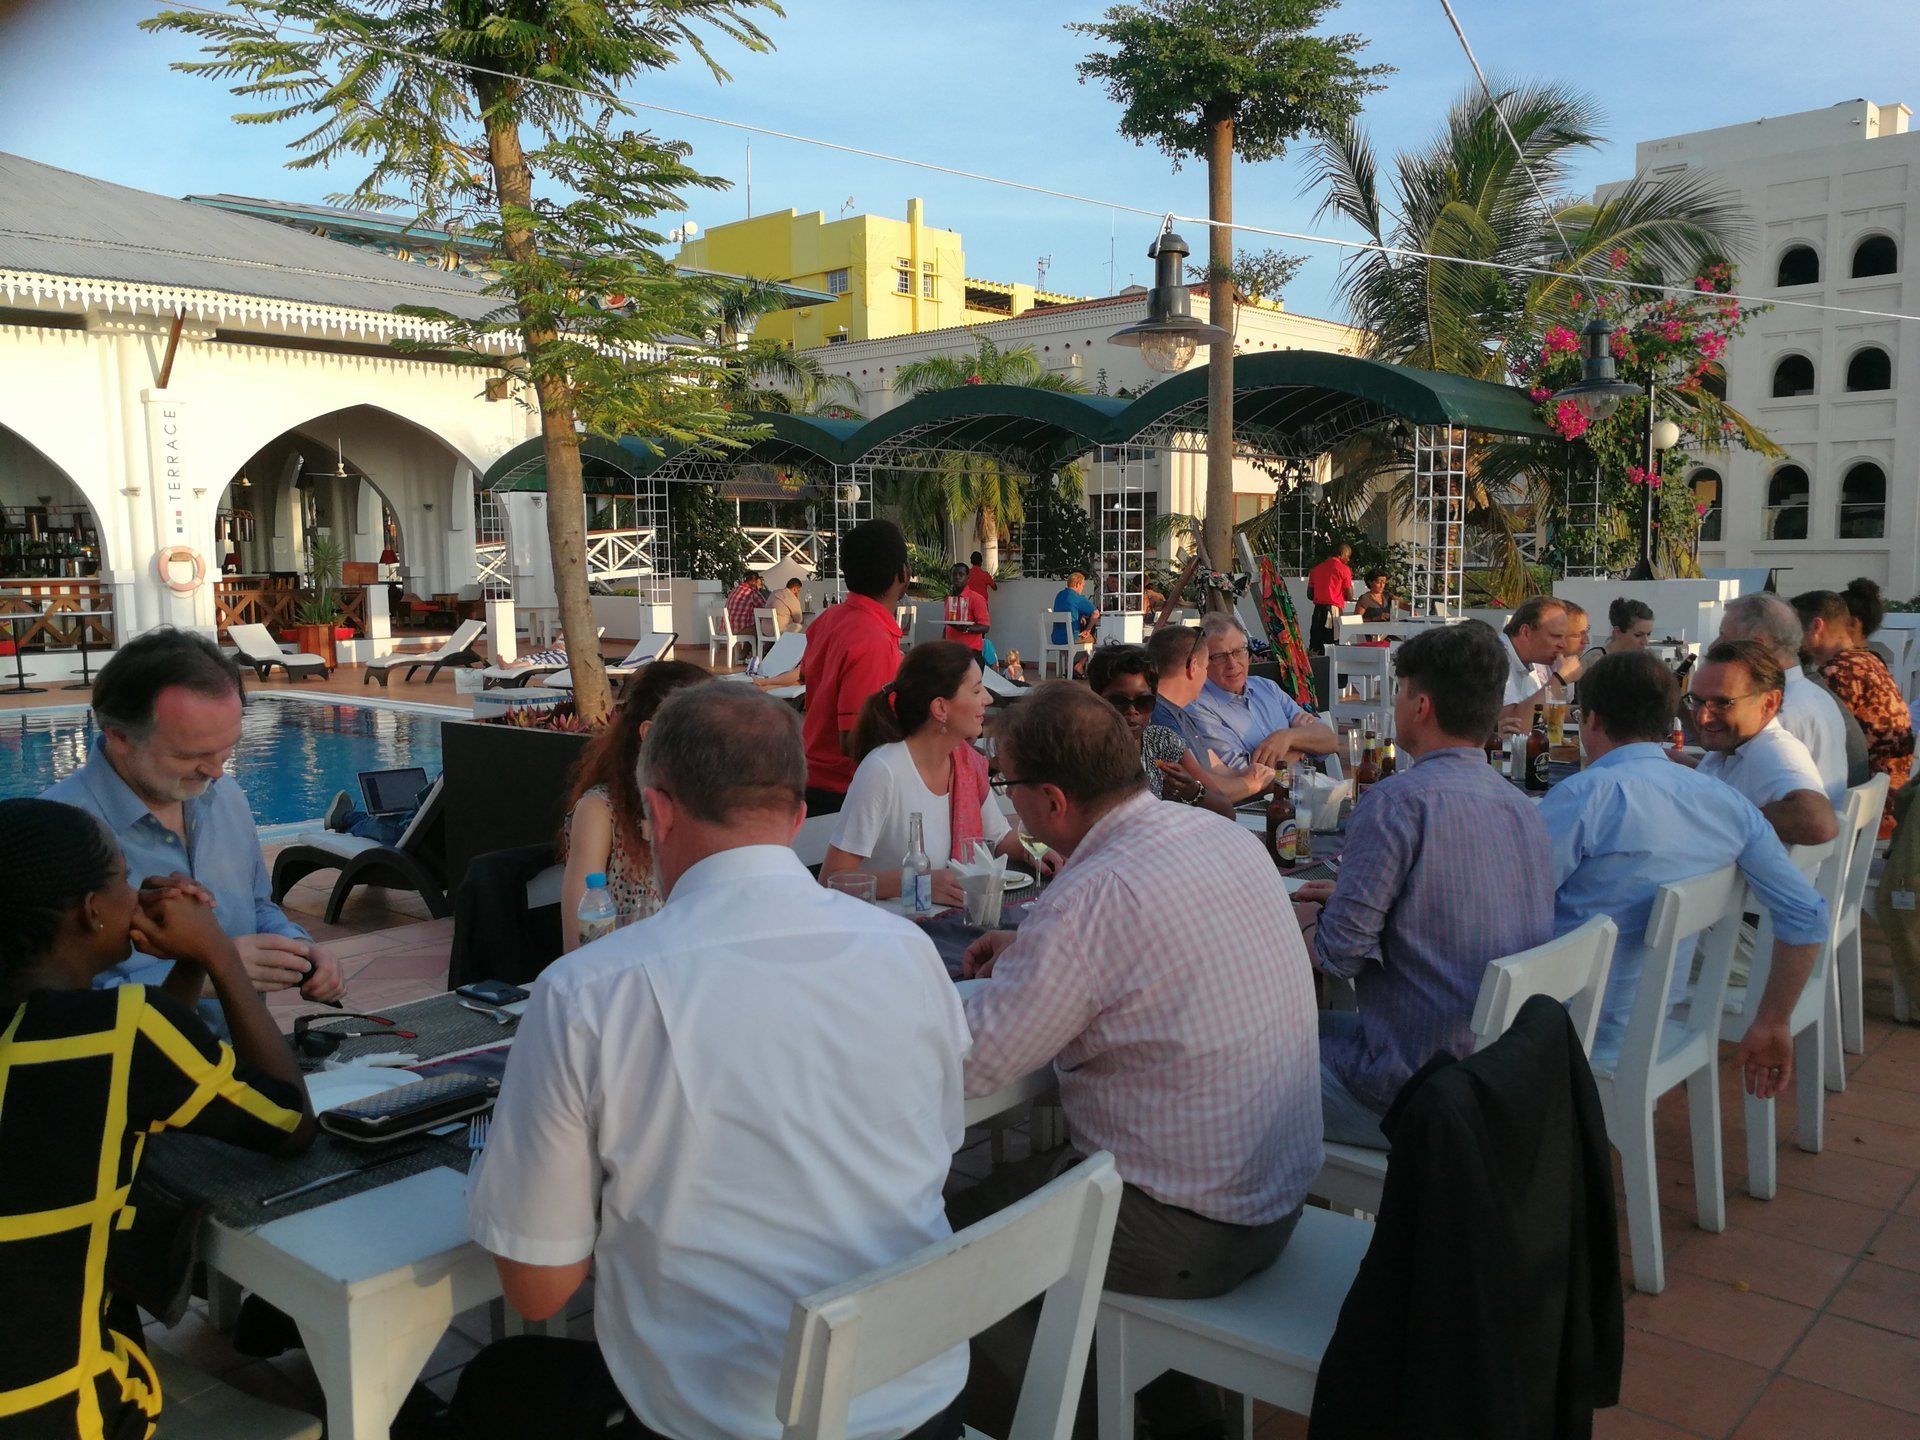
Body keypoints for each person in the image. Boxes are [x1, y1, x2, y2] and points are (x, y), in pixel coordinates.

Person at [460, 687, 968, 1440]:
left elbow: (537, 1290)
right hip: (921, 1399)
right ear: (797, 817)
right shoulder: (907, 952)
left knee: (493, 1385)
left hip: (721, 1419)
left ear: (658, 810)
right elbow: (938, 1145)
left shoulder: (589, 991)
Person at [955, 682, 1320, 1433]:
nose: (1006, 799)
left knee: (946, 1243)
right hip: (1278, 1187)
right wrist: (1039, 950)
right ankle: (1153, 1400)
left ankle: (1094, 1419)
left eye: (1007, 784)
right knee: (1015, 1186)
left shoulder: (1093, 894)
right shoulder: (1214, 835)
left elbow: (976, 1062)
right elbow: (1157, 950)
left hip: (1193, 1227)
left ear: (1051, 800)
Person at [0, 797, 314, 1440]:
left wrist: (188, 963)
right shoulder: (123, 1029)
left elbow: (145, 1081)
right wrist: (222, 955)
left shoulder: (102, 1040)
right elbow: (289, 1123)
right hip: (62, 1410)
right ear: (92, 912)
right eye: (121, 879)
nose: (136, 894)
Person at [1292, 622, 1555, 1148]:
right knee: (1302, 1032)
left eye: (1401, 691)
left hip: (1416, 1091)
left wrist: (1290, 924)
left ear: (1420, 706)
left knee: (1236, 1061)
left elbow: (1339, 956)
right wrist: (1351, 902)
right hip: (1504, 1071)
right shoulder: (1521, 808)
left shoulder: (1396, 803)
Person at [1538, 652, 1829, 1077]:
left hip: (1565, 1026)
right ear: (1665, 720)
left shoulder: (1583, 798)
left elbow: (1511, 906)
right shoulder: (1730, 804)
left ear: (1592, 719)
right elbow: (1807, 914)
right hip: (1654, 1022)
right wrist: (1772, 1021)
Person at [41, 627, 346, 1006]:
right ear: (118, 736)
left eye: (227, 748)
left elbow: (253, 907)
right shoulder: (53, 837)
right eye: (189, 755)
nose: (216, 771)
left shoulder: (225, 796)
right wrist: (207, 972)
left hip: (239, 1056)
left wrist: (298, 947)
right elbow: (45, 1008)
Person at [820, 641, 1042, 904]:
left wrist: (1038, 851)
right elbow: (832, 879)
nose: (988, 699)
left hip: (948, 921)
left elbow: (999, 838)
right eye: (976, 690)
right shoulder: (883, 771)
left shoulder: (965, 764)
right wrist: (915, 884)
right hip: (888, 930)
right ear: (940, 708)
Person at [559, 660, 713, 949]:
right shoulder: (601, 811)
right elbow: (577, 942)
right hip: (626, 977)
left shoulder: (709, 805)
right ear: (649, 734)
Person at [799, 519, 910, 816]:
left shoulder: (829, 619)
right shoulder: (871, 639)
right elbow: (855, 740)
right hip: (844, 792)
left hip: (813, 778)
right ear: (904, 574)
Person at [1689, 640, 1838, 847]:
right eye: (1696, 701)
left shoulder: (1773, 748)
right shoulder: (1736, 747)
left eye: (1723, 703)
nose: (1703, 717)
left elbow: (1818, 822)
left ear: (1769, 703)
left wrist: (1712, 819)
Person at [1795, 580, 1912, 838]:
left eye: (1793, 631)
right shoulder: (1868, 662)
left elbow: (1813, 740)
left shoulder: (1840, 674)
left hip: (1868, 808)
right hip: (1887, 796)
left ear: (1816, 626)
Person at [1719, 593, 1849, 808]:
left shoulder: (1775, 713)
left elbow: (1734, 802)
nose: (1715, 646)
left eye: (1724, 639)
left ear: (1757, 645)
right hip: (1816, 832)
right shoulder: (1815, 694)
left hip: (1785, 835)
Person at [1085, 643, 1231, 814]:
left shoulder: (1161, 741)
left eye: (1143, 702)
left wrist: (1192, 791)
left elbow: (1227, 811)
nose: (1133, 711)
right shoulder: (1084, 752)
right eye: (1119, 702)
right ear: (1097, 701)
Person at [1143, 624, 1276, 803]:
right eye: (1206, 667)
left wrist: (1258, 774)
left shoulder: (1178, 712)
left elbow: (1218, 769)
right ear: (1193, 667)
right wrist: (1254, 783)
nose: (1205, 677)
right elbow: (1202, 788)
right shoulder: (1161, 719)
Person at [1187, 613, 1337, 770]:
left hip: (1308, 788)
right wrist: (1301, 746)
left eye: (1238, 651)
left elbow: (1330, 741)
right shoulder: (1199, 708)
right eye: (1219, 657)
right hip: (1272, 794)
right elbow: (1243, 775)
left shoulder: (1266, 687)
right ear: (1204, 662)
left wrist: (1288, 737)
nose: (1232, 664)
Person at [1497, 596, 1569, 733]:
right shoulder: (1496, 657)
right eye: (1556, 636)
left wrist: (1579, 712)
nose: (1563, 645)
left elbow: (1539, 712)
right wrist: (1560, 678)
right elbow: (1514, 727)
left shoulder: (1529, 661)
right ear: (1526, 632)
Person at [1306, 541, 1354, 651]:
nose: (1348, 560)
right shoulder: (1344, 569)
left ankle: (1315, 666)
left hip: (1318, 610)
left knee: (1315, 642)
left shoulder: (1316, 569)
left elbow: (1309, 595)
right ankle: (1331, 667)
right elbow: (1350, 595)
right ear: (1342, 554)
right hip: (1333, 610)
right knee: (1332, 642)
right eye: (1348, 556)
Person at [940, 562, 988, 654]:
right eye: (954, 574)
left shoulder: (976, 599)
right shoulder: (948, 599)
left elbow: (985, 627)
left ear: (968, 578)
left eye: (961, 574)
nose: (957, 577)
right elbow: (947, 626)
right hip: (950, 651)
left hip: (969, 652)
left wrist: (966, 629)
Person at [1049, 571, 1099, 648]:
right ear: (1077, 584)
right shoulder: (1077, 597)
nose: (1082, 589)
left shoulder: (1059, 595)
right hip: (1071, 639)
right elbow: (1096, 613)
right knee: (1094, 639)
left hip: (1056, 638)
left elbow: (1068, 609)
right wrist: (1087, 630)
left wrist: (1080, 616)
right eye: (1082, 586)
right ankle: (1081, 661)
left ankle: (1068, 660)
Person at [724, 569, 770, 640]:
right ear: (756, 581)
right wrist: (759, 589)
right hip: (740, 629)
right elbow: (766, 609)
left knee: (755, 626)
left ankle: (745, 651)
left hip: (727, 628)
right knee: (765, 628)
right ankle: (763, 650)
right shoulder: (752, 592)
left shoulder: (735, 590)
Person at [1551, 601, 1591, 686]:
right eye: (1578, 635)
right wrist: (1562, 678)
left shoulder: (1568, 664)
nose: (1586, 641)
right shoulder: (1535, 671)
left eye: (1587, 632)